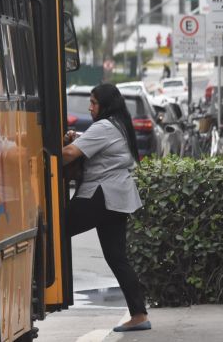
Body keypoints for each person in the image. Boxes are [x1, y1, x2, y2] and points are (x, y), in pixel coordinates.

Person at [62, 84, 150, 332]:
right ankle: (139, 315)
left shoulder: (104, 126)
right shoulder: (119, 124)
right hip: (117, 196)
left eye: (93, 103)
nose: (89, 108)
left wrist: (37, 157)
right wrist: (79, 139)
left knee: (55, 229)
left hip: (102, 194)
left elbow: (68, 154)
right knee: (116, 257)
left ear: (105, 105)